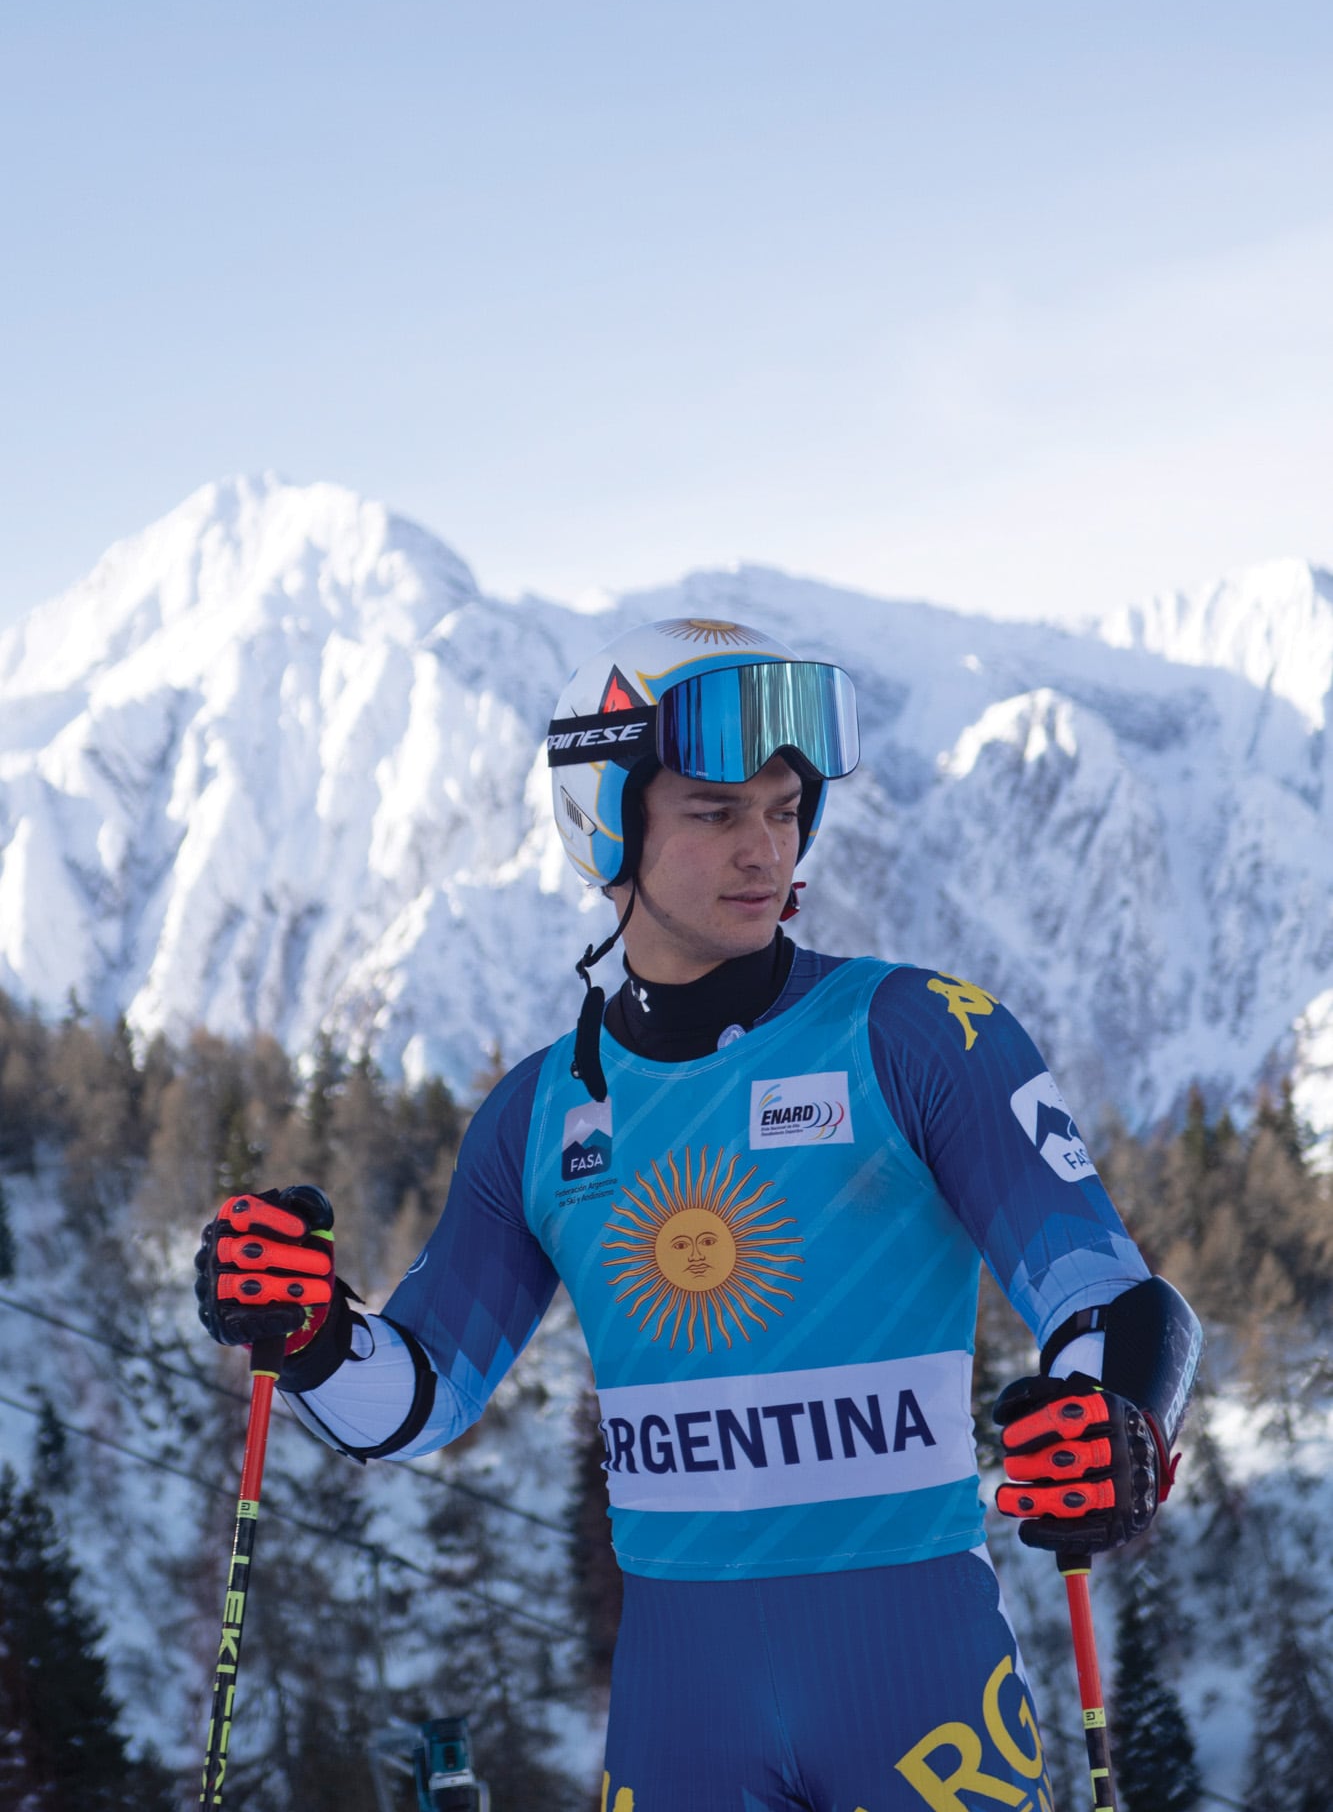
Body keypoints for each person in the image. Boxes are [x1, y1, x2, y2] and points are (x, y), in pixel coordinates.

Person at [196, 617, 1202, 1812]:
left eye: (784, 809)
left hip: (923, 1681)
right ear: (608, 823)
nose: (762, 848)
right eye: (715, 811)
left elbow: (1112, 1292)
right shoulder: (537, 1112)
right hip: (682, 1706)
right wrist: (305, 1328)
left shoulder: (920, 1034)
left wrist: (1112, 1415)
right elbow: (415, 1398)